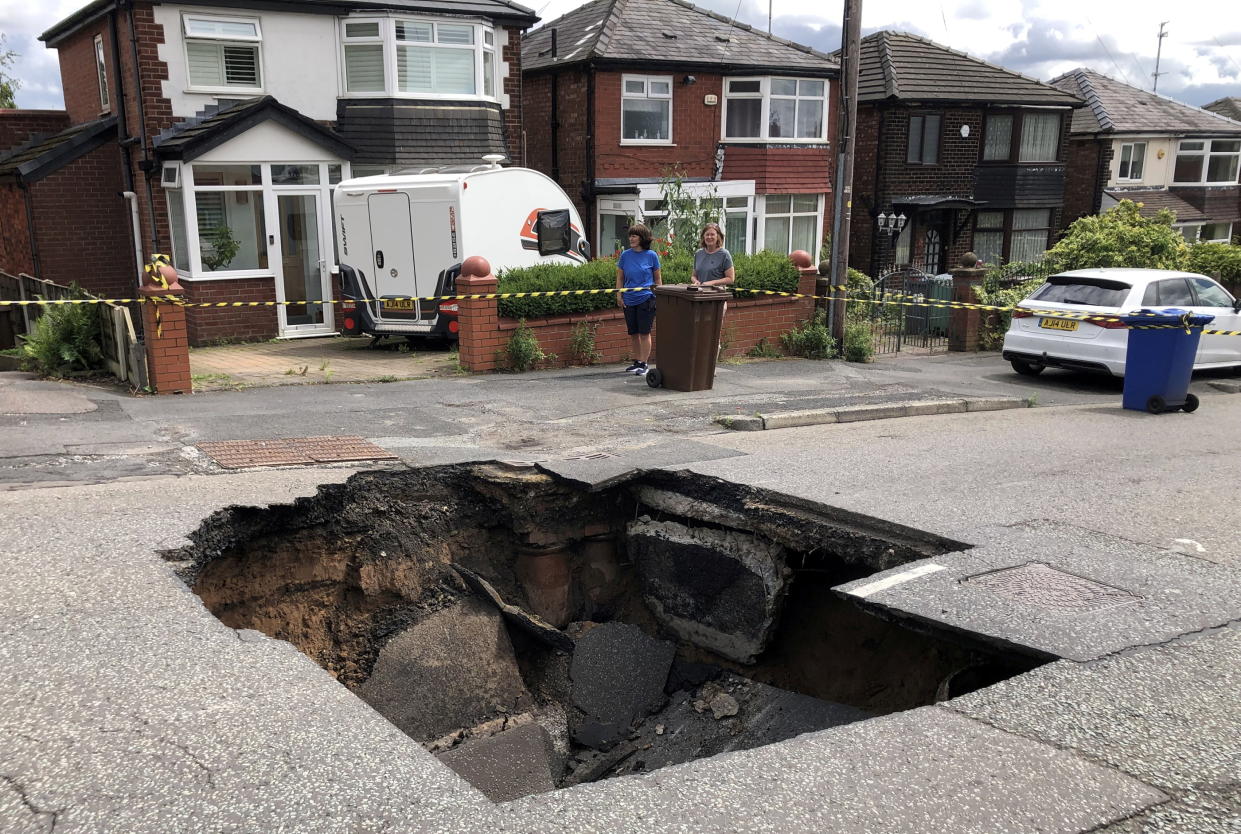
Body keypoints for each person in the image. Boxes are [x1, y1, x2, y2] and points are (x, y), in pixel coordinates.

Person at [616, 223, 662, 376]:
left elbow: (657, 279)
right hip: (629, 299)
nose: (631, 238)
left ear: (642, 238)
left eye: (634, 235)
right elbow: (620, 278)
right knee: (633, 332)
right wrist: (619, 295)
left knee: (644, 332)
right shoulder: (625, 255)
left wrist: (658, 295)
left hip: (646, 298)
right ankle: (637, 361)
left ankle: (644, 363)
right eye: (630, 235)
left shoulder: (652, 256)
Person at [691, 222, 735, 288]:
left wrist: (712, 283)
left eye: (712, 234)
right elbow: (693, 276)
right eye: (707, 234)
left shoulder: (724, 254)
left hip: (716, 296)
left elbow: (730, 279)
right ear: (704, 236)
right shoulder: (698, 254)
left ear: (718, 236)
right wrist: (695, 281)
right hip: (699, 295)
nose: (709, 237)